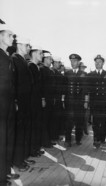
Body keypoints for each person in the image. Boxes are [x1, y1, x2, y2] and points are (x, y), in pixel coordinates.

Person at [12, 36, 34, 172]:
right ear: (19, 45)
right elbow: (13, 82)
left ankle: (22, 157)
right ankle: (17, 162)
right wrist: (15, 101)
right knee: (19, 133)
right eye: (27, 45)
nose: (29, 48)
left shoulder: (22, 61)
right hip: (19, 103)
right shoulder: (14, 60)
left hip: (25, 102)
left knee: (24, 132)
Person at [0, 23, 19, 186]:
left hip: (8, 105)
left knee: (6, 140)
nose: (13, 38)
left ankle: (4, 172)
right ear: (0, 37)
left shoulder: (6, 56)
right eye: (10, 35)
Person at [88, 55, 106, 148]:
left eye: (99, 62)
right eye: (96, 62)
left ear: (103, 63)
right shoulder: (90, 75)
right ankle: (96, 140)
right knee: (95, 123)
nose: (97, 63)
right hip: (94, 103)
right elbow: (88, 90)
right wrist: (87, 101)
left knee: (103, 122)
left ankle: (102, 138)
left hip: (104, 103)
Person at [64, 54, 88, 147]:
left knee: (79, 121)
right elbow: (64, 88)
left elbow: (86, 89)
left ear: (78, 62)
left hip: (80, 102)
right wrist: (63, 100)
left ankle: (78, 139)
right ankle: (67, 140)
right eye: (71, 61)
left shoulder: (83, 74)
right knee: (68, 121)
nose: (72, 63)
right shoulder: (67, 73)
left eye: (74, 61)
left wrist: (86, 102)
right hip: (69, 101)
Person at [28, 46, 45, 157]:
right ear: (34, 54)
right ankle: (32, 150)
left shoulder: (36, 67)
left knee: (37, 125)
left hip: (37, 101)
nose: (42, 56)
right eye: (40, 53)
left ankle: (35, 148)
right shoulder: (30, 66)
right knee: (32, 126)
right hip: (32, 101)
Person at [39, 51, 56, 147]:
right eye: (50, 59)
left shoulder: (50, 70)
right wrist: (42, 98)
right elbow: (40, 86)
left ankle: (48, 139)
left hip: (50, 99)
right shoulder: (41, 69)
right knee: (44, 121)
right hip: (45, 99)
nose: (51, 60)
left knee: (49, 120)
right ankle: (44, 142)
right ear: (45, 59)